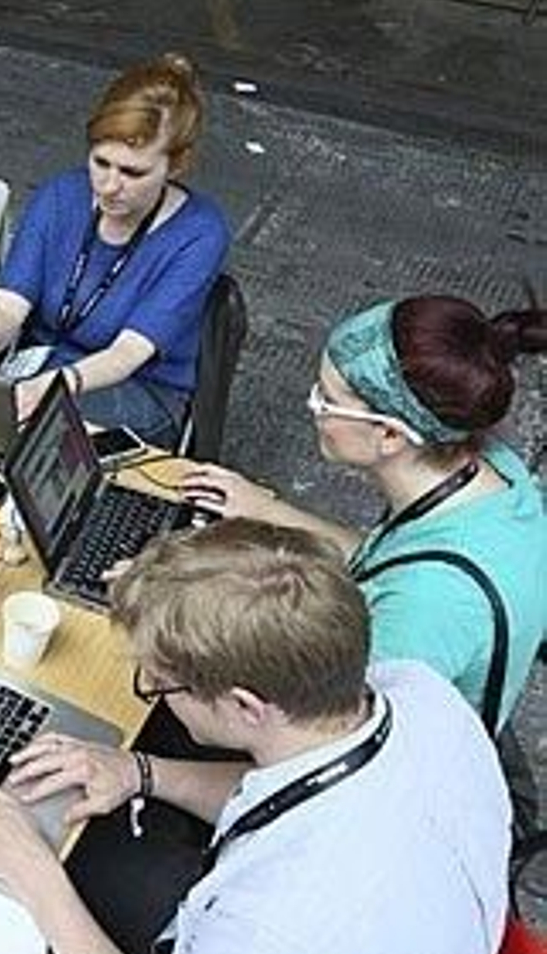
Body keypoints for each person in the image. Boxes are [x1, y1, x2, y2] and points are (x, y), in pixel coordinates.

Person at [0, 519, 510, 954]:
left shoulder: (292, 917)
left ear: (246, 706)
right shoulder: (422, 697)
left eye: (159, 684)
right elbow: (282, 790)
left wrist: (36, 877)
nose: (154, 690)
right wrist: (141, 772)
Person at [180, 296, 546, 728]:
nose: (311, 406)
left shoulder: (426, 606)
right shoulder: (490, 468)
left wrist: (139, 767)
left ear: (390, 434)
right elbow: (388, 557)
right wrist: (265, 509)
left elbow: (328, 742)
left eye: (326, 400)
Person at [0, 54, 230, 448]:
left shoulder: (200, 233)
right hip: (43, 361)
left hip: (139, 386)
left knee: (28, 432)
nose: (109, 186)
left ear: (176, 166)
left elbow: (129, 353)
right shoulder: (62, 195)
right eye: (101, 163)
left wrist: (53, 387)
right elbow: (10, 306)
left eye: (132, 172)